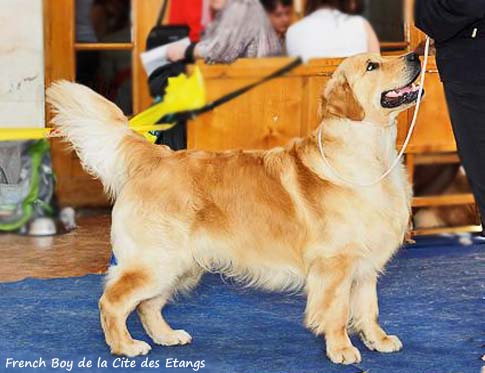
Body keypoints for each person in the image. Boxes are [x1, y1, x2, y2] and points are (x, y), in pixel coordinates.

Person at [415, 0, 485, 235]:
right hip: (468, 60)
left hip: (472, 62)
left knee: (479, 156)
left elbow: (468, 6)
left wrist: (430, 19)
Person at [167, 0, 282, 64]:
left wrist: (186, 51)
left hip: (260, 91)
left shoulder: (242, 4)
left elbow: (221, 50)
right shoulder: (223, 13)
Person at [285, 0, 380, 61]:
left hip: (310, 91)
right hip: (354, 92)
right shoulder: (361, 25)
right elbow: (378, 73)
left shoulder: (293, 31)